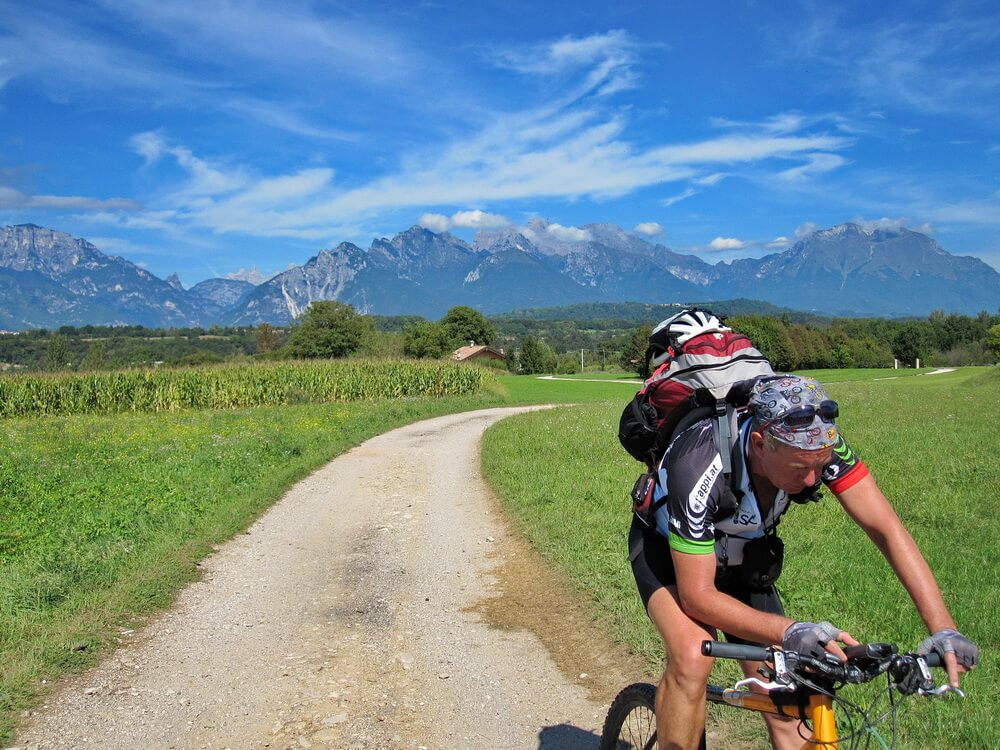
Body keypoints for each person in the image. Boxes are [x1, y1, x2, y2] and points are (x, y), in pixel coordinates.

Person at [628, 374, 978, 750]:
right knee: (693, 656)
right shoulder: (697, 465)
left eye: (820, 466)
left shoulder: (816, 443)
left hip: (743, 557)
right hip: (668, 554)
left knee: (789, 701)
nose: (813, 479)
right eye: (799, 470)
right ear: (761, 445)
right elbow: (698, 597)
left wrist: (943, 628)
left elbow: (887, 529)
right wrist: (789, 630)